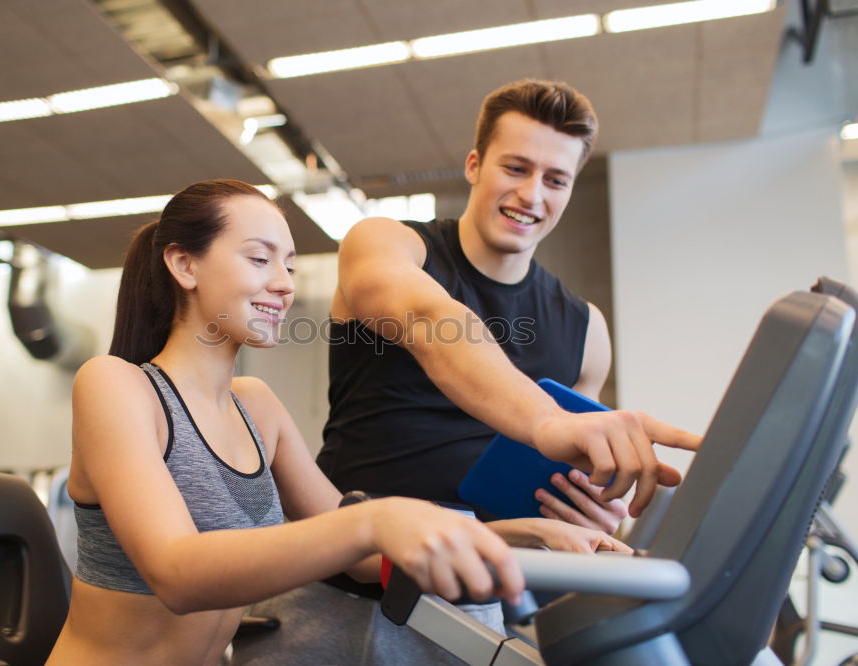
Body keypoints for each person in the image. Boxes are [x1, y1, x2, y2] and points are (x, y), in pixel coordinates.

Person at [233, 79, 699, 664]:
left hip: (469, 611)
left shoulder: (585, 329)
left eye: (556, 180)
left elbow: (565, 486)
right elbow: (431, 321)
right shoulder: (388, 244)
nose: (532, 194)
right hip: (335, 590)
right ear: (475, 165)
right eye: (516, 168)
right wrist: (548, 423)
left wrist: (594, 503)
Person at [45, 180, 531, 666]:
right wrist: (374, 520)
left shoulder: (256, 406)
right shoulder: (117, 385)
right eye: (260, 259)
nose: (284, 283)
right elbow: (176, 574)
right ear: (184, 265)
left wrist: (511, 535)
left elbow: (361, 561)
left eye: (289, 265)